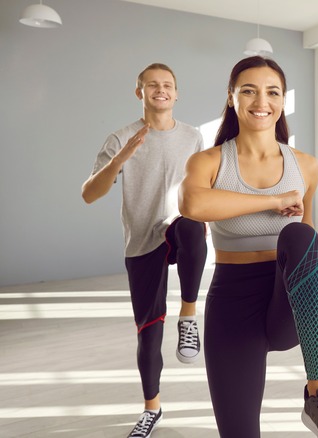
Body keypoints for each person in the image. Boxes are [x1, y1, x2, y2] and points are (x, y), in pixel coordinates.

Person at [178, 56, 318, 438]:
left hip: (286, 303)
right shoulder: (209, 162)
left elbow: (305, 246)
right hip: (232, 301)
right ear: (232, 98)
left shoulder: (306, 165)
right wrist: (273, 202)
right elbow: (192, 205)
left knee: (298, 235)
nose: (261, 101)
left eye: (272, 92)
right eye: (249, 90)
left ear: (282, 101)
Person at [81, 63, 207, 438]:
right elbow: (88, 194)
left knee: (191, 226)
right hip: (140, 240)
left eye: (167, 84)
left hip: (176, 226)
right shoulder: (120, 138)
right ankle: (152, 408)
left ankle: (188, 316)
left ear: (177, 93)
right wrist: (121, 160)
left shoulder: (193, 137)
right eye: (152, 85)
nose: (160, 90)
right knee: (148, 333)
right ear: (139, 92)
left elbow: (204, 187)